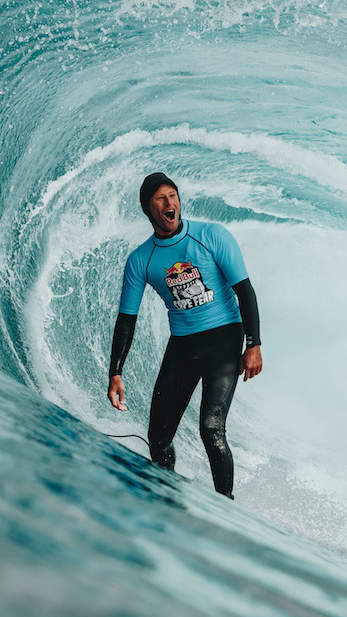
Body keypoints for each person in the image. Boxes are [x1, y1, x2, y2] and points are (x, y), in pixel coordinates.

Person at [107, 172, 263, 499]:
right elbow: (126, 319)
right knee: (158, 438)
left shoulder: (212, 235)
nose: (170, 203)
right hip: (183, 344)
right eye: (160, 199)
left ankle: (226, 507)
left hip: (224, 337)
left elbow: (244, 290)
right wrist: (116, 372)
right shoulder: (141, 260)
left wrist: (254, 344)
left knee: (211, 428)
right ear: (148, 210)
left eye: (173, 195)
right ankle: (167, 496)